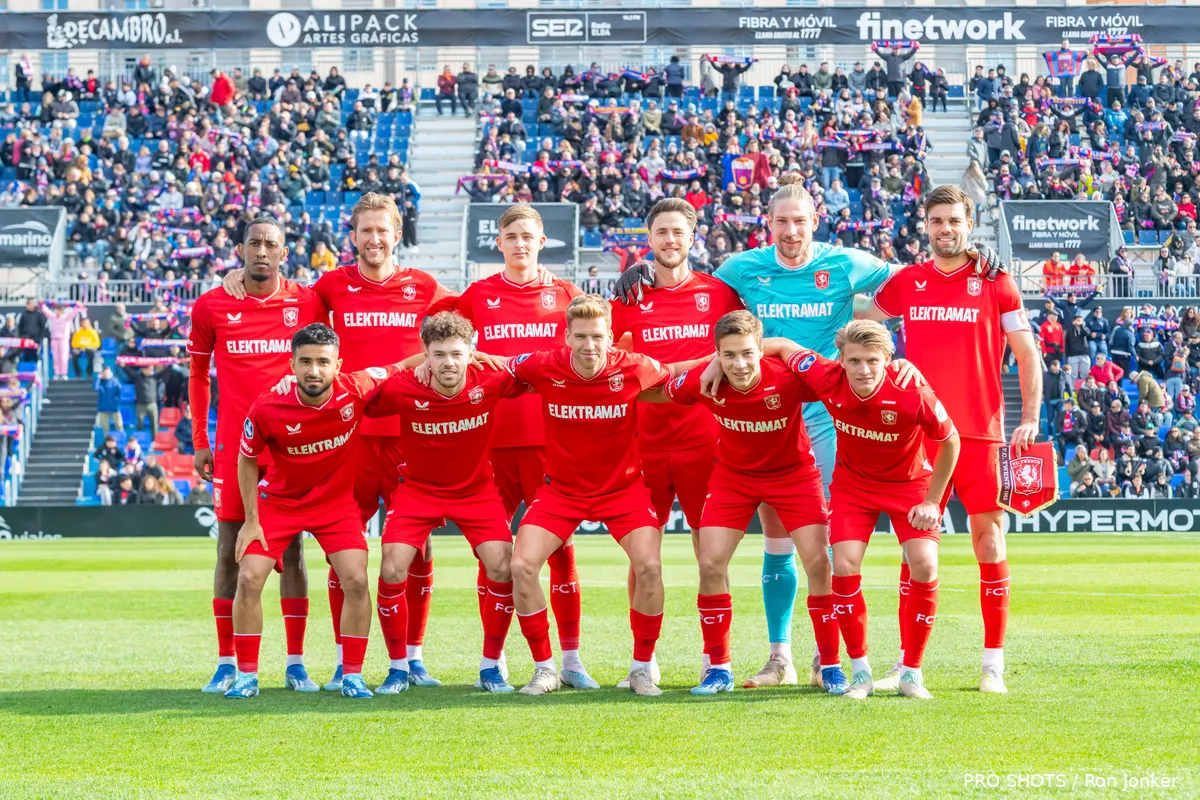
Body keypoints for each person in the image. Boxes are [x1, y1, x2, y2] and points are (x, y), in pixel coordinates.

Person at [611, 173, 1008, 690]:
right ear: (768, 224)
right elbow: (694, 286)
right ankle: (782, 656)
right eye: (781, 221)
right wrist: (642, 268)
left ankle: (837, 660)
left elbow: (920, 276)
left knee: (824, 548)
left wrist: (974, 260)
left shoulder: (848, 262)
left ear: (815, 222)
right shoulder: (742, 268)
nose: (791, 230)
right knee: (777, 539)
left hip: (831, 410)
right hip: (762, 407)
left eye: (800, 221)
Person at [222, 194, 455, 690]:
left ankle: (411, 656)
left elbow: (471, 310)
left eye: (383, 231)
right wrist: (239, 280)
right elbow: (283, 308)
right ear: (353, 236)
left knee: (420, 549)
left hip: (412, 436)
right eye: (365, 230)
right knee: (342, 554)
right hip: (347, 441)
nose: (375, 239)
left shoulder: (425, 286)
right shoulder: (329, 287)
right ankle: (342, 664)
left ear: (397, 235)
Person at [864, 185, 1043, 694]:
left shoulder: (997, 281)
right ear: (926, 225)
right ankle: (905, 663)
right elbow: (862, 328)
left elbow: (1027, 354)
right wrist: (886, 365)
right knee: (915, 549)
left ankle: (992, 664)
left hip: (981, 434)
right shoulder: (908, 282)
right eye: (937, 220)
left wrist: (1028, 418)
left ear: (971, 224)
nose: (946, 229)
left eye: (955, 221)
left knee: (989, 540)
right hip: (919, 436)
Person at [503, 295, 702, 697]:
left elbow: (677, 380)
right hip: (561, 490)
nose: (589, 345)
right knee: (522, 565)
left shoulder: (635, 367)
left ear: (612, 338)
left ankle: (642, 668)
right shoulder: (544, 365)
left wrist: (723, 363)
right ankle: (545, 669)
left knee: (649, 565)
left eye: (597, 336)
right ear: (566, 337)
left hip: (623, 490)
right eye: (580, 337)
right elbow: (493, 365)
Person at [425, 204, 589, 687]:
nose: (520, 243)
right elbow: (430, 334)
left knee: (562, 552)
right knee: (492, 553)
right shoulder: (476, 297)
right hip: (492, 443)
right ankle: (492, 659)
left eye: (528, 236)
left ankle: (573, 660)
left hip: (552, 443)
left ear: (543, 242)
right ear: (499, 243)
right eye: (511, 236)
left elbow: (600, 341)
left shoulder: (567, 296)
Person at [752, 320, 960, 700]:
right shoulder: (826, 376)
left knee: (925, 564)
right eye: (854, 361)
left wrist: (932, 500)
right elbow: (780, 344)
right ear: (841, 360)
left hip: (909, 485)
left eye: (872, 361)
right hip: (854, 487)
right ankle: (860, 672)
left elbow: (950, 440)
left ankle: (911, 673)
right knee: (844, 565)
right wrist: (720, 360)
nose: (863, 370)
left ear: (888, 359)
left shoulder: (913, 390)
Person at [606, 199, 744, 688]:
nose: (670, 240)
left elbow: (741, 351)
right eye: (661, 232)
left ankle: (716, 660)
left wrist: (670, 372)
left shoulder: (720, 293)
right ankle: (643, 662)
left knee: (711, 557)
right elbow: (610, 364)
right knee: (644, 558)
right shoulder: (627, 298)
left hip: (706, 443)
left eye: (678, 232)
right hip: (642, 444)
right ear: (649, 238)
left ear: (693, 236)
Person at [187, 216, 326, 695]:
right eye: (254, 243)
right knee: (229, 550)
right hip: (230, 446)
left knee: (292, 549)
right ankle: (227, 662)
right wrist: (200, 439)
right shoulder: (211, 306)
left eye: (271, 244)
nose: (262, 251)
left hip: (290, 445)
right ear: (240, 250)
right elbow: (198, 375)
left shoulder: (309, 300)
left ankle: (295, 662)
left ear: (283, 253)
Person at [225, 323, 395, 700]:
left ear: (338, 365)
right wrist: (251, 521)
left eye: (322, 362)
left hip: (335, 506)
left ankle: (351, 674)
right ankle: (247, 675)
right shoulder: (268, 405)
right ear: (292, 365)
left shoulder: (358, 387)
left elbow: (406, 365)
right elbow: (246, 458)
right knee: (250, 578)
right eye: (305, 362)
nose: (313, 370)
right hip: (280, 504)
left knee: (355, 579)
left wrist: (466, 356)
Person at [359, 312, 522, 693]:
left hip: (476, 492)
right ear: (425, 356)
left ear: (471, 354)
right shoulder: (402, 387)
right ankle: (399, 669)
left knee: (502, 564)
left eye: (456, 353)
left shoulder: (493, 378)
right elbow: (357, 392)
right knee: (392, 567)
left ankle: (491, 667)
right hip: (418, 491)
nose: (449, 362)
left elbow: (542, 371)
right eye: (439, 354)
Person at [42, 300, 84, 378]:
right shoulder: (53, 317)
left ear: (62, 311)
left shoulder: (66, 317)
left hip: (64, 340)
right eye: (56, 310)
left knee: (64, 357)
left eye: (59, 310)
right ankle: (57, 373)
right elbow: (46, 311)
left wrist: (77, 306)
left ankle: (64, 373)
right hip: (54, 339)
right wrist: (43, 305)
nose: (57, 312)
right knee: (56, 357)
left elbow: (73, 313)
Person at [93, 366, 124, 433]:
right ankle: (107, 441)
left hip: (114, 408)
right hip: (103, 408)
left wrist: (116, 401)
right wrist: (98, 378)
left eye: (108, 372)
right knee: (105, 427)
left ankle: (121, 439)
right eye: (105, 372)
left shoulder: (115, 381)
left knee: (119, 425)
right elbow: (96, 388)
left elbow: (120, 392)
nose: (106, 373)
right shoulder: (100, 382)